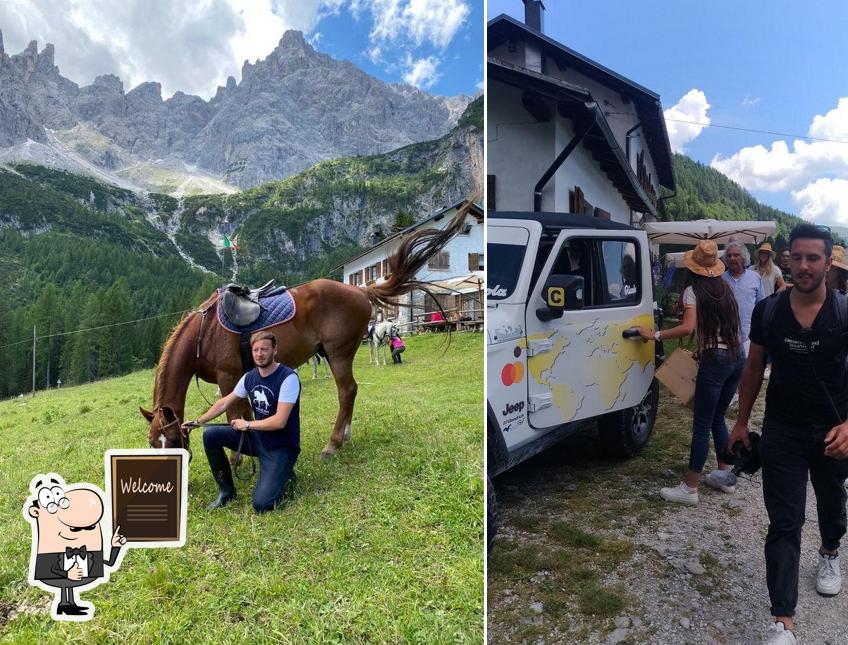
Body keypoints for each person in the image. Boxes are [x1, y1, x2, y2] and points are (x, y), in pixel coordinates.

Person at [728, 224, 848, 645]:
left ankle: (830, 552)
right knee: (784, 521)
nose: (803, 265)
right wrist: (741, 422)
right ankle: (783, 621)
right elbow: (753, 367)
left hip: (834, 432)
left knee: (832, 504)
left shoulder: (845, 312)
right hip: (782, 430)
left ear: (828, 262)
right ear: (786, 259)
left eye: (813, 258)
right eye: (796, 257)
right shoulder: (770, 311)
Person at [635, 239, 744, 504]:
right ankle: (724, 476)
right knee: (718, 417)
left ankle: (690, 488)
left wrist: (655, 335)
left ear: (692, 267)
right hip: (737, 355)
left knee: (701, 425)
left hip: (716, 359)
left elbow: (687, 327)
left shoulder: (693, 291)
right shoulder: (725, 287)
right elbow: (722, 326)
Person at [182, 331, 300, 513]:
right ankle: (226, 491)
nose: (260, 354)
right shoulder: (250, 377)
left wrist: (248, 425)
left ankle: (286, 475)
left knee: (262, 505)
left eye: (264, 350)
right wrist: (198, 422)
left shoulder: (288, 378)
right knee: (211, 435)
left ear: (275, 350)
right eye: (256, 350)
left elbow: (280, 422)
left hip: (281, 446)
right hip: (258, 438)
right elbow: (224, 402)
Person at [721, 240, 763, 357]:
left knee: (746, 372)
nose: (732, 258)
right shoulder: (720, 280)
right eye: (729, 256)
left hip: (749, 336)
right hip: (724, 337)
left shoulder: (755, 277)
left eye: (736, 255)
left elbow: (761, 306)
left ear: (744, 258)